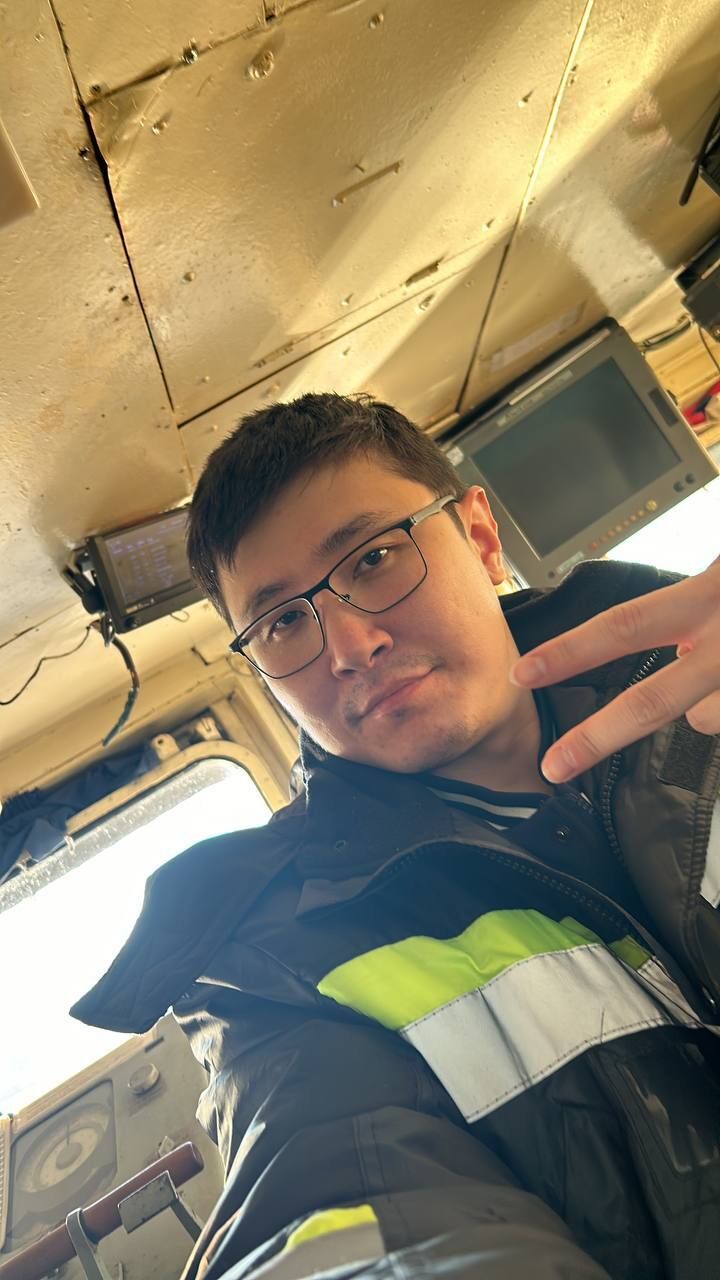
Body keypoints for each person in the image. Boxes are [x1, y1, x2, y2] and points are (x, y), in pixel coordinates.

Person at [73, 394, 720, 1280]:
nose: (349, 646)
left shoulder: (700, 687)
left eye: (374, 558)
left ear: (481, 538)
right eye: (283, 622)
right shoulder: (276, 968)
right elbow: (332, 1223)